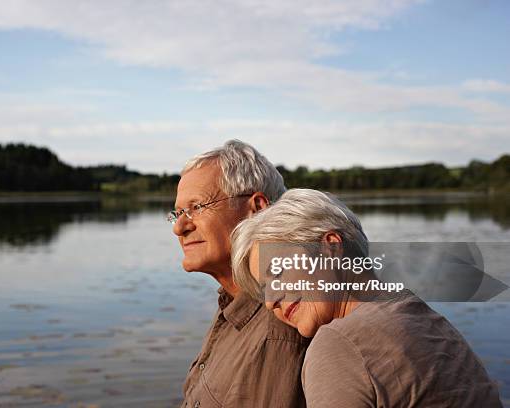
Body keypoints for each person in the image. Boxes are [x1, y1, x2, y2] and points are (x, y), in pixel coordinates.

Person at [231, 188, 502, 408]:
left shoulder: (340, 343)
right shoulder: (419, 315)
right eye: (264, 287)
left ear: (330, 248)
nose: (270, 301)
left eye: (276, 272)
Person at [170, 140, 309, 407]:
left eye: (196, 207)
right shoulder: (234, 302)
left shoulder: (280, 325)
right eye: (177, 213)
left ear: (256, 208)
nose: (179, 227)